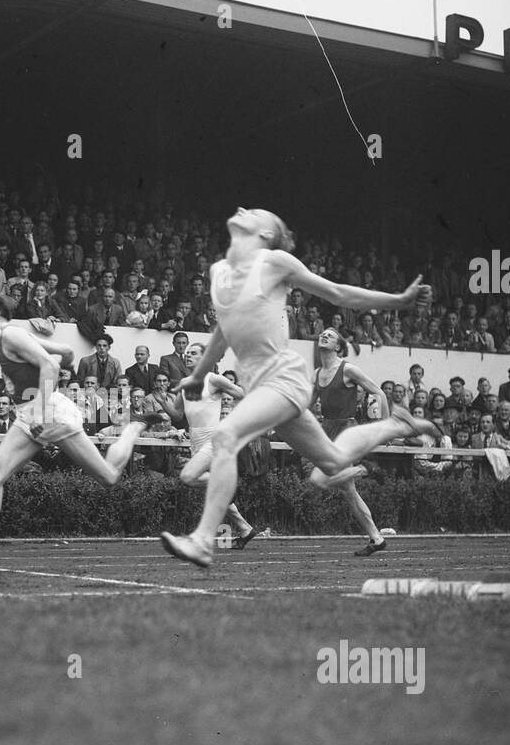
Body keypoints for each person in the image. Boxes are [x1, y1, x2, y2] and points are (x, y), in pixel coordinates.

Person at [160, 208, 436, 567]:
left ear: (265, 234)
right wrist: (197, 375)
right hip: (263, 388)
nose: (243, 210)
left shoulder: (274, 261)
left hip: (283, 380)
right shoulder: (219, 272)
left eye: (254, 213)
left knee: (225, 437)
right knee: (334, 460)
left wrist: (398, 301)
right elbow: (225, 329)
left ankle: (201, 540)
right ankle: (397, 424)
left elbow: (338, 293)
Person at [0, 293, 158, 571]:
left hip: (49, 413)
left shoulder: (11, 335)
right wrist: (64, 355)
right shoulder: (11, 338)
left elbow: (51, 365)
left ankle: (133, 427)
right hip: (29, 414)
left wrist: (40, 410)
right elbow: (63, 353)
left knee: (109, 476)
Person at [159, 344, 254, 545]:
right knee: (211, 491)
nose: (188, 356)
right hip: (195, 440)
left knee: (188, 477)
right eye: (187, 354)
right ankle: (245, 529)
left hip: (213, 439)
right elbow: (177, 415)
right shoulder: (184, 382)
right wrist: (162, 402)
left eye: (193, 353)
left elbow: (243, 394)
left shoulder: (214, 379)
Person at [307, 327, 391, 555]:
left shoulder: (348, 369)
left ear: (338, 346)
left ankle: (366, 469)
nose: (324, 336)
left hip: (347, 429)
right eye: (322, 334)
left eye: (330, 335)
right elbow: (306, 406)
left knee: (319, 480)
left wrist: (382, 425)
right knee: (348, 491)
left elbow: (378, 393)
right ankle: (376, 538)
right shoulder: (316, 374)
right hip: (328, 430)